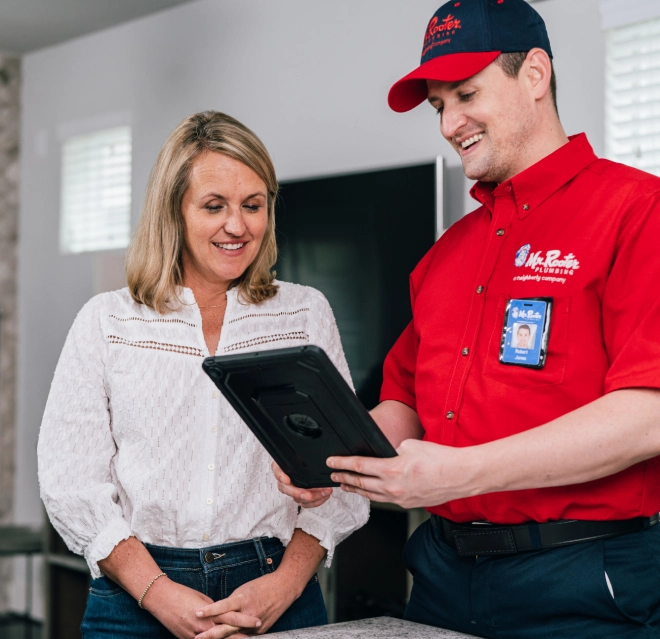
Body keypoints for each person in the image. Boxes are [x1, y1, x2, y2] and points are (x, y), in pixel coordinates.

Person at [274, 1, 660, 636]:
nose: (451, 123)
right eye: (438, 107)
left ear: (534, 74)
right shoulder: (447, 254)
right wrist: (333, 464)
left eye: (466, 94)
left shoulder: (635, 212)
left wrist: (460, 471)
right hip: (443, 576)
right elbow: (403, 402)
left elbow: (647, 413)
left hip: (588, 582)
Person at [38, 111, 368, 639]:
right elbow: (70, 481)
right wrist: (157, 593)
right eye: (214, 206)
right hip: (136, 595)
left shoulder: (304, 313)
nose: (237, 226)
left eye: (253, 205)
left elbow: (351, 477)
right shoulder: (107, 321)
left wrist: (283, 586)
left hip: (275, 589)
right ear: (174, 213)